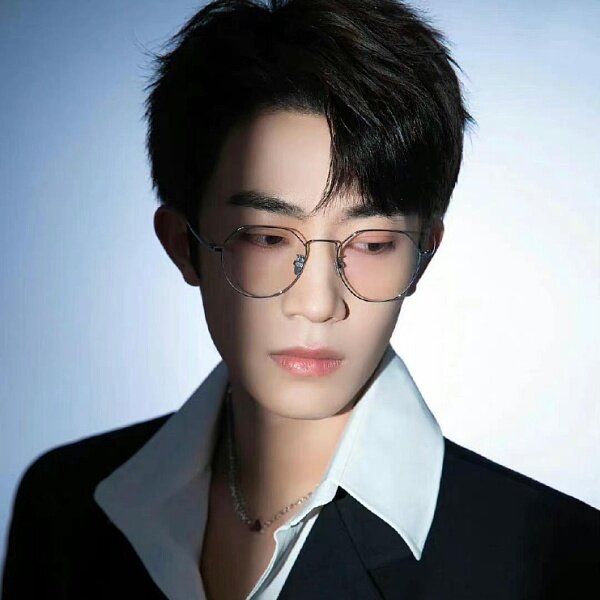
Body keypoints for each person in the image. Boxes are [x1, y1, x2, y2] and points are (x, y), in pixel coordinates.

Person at [2, 0, 598, 598]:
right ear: (183, 244)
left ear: (424, 253)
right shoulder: (65, 506)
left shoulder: (553, 558)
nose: (317, 304)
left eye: (372, 243)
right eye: (266, 237)